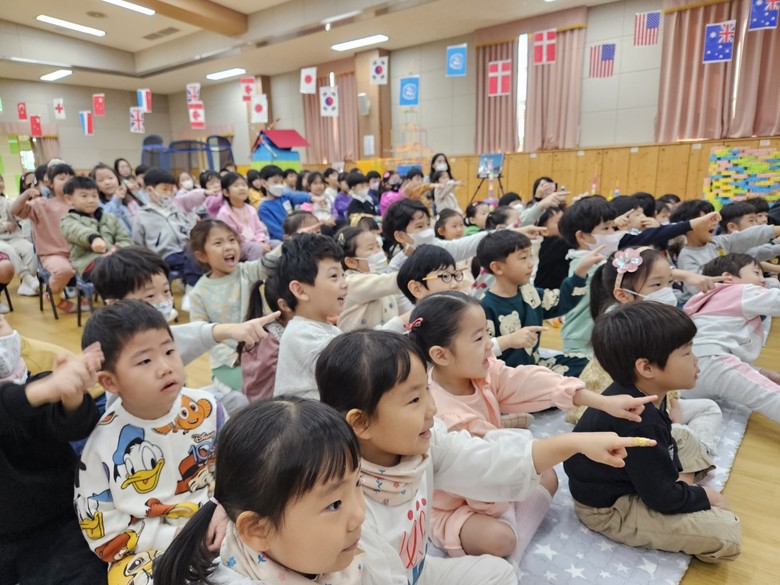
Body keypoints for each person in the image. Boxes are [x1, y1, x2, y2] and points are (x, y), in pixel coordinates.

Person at [316, 329, 657, 584]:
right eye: (414, 400)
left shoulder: (427, 442)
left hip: (417, 570)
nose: (432, 409)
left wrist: (575, 443)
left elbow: (485, 459)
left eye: (427, 392)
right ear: (361, 422)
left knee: (499, 572)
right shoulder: (349, 505)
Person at [408, 292, 655, 561]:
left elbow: (528, 381)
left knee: (547, 474)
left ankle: (513, 529)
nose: (491, 345)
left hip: (491, 470)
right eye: (479, 339)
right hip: (454, 501)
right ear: (440, 355)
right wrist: (509, 494)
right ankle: (511, 549)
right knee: (500, 539)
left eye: (488, 333)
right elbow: (481, 476)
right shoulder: (443, 416)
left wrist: (603, 402)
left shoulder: (482, 373)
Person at [563, 302, 741, 562]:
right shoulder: (639, 421)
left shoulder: (647, 393)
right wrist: (707, 496)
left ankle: (681, 485)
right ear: (646, 368)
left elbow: (665, 443)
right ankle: (684, 486)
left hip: (636, 474)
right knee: (726, 533)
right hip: (610, 507)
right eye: (687, 352)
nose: (696, 359)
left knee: (683, 436)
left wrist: (681, 491)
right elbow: (661, 498)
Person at [75, 301, 228, 584]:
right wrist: (176, 536)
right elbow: (103, 532)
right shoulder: (101, 446)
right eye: (145, 361)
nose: (165, 368)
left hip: (217, 521)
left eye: (169, 351)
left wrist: (224, 510)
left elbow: (237, 469)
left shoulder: (207, 408)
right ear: (110, 382)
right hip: (146, 550)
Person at [154, 397, 367, 585]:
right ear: (258, 530)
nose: (359, 515)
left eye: (358, 482)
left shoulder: (311, 556)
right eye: (334, 504)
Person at [90, 246, 274, 396]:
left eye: (166, 291)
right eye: (150, 296)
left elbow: (197, 333)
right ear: (115, 304)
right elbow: (191, 335)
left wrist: (232, 330)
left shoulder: (160, 331)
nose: (163, 301)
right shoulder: (114, 348)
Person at [1, 342, 106, 585]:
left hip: (61, 521)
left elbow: (76, 426)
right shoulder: (35, 390)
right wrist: (40, 391)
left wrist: (72, 396)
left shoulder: (34, 375)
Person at [477, 230, 602, 375]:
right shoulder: (483, 307)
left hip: (534, 365)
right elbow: (478, 350)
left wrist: (580, 271)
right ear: (498, 267)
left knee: (587, 364)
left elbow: (561, 301)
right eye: (523, 258)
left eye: (531, 256)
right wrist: (509, 340)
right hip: (507, 376)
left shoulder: (529, 292)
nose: (531, 264)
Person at [684, 253, 780, 423]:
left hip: (687, 375)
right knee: (769, 395)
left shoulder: (702, 299)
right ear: (728, 277)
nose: (763, 280)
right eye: (756, 273)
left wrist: (757, 372)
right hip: (714, 360)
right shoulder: (742, 290)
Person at [188, 220, 278, 396]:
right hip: (228, 363)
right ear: (202, 256)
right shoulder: (198, 293)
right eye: (218, 243)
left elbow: (269, 263)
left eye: (231, 240)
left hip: (261, 350)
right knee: (258, 391)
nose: (229, 246)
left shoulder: (246, 271)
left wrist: (293, 241)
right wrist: (234, 358)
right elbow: (202, 335)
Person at [273, 233, 345, 398]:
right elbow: (357, 363)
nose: (345, 283)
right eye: (334, 276)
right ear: (300, 290)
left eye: (343, 275)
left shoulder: (325, 328)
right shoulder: (299, 335)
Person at [670, 199, 780, 302]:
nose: (714, 223)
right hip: (703, 304)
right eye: (707, 219)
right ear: (689, 226)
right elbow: (700, 290)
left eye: (714, 218)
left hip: (729, 297)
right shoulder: (687, 256)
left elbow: (746, 237)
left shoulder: (719, 242)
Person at [10, 163, 78, 313]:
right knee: (64, 270)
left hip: (77, 252)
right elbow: (14, 210)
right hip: (52, 254)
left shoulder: (78, 204)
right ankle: (54, 295)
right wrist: (27, 194)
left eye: (70, 178)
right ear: (50, 183)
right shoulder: (41, 204)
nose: (67, 181)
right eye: (62, 178)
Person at [131, 168, 205, 306]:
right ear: (149, 190)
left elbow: (187, 231)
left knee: (200, 255)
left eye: (171, 190)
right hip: (162, 255)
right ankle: (191, 290)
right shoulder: (141, 216)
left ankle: (192, 288)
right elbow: (138, 243)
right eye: (164, 189)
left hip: (183, 251)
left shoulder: (176, 210)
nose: (169, 193)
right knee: (192, 258)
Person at [60, 176, 132, 281]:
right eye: (84, 196)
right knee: (112, 266)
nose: (91, 200)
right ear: (69, 199)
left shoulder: (109, 217)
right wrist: (93, 238)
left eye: (94, 196)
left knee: (142, 260)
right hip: (89, 264)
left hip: (116, 257)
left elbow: (125, 239)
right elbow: (78, 232)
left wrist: (118, 249)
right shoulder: (68, 220)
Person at [335, 226, 403, 332]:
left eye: (378, 246)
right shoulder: (351, 283)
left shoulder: (379, 277)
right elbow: (392, 281)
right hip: (361, 341)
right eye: (370, 248)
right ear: (351, 262)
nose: (379, 252)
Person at [237, 275, 290, 402]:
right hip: (266, 405)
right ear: (284, 305)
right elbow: (262, 389)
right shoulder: (270, 338)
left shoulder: (272, 330)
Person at [215, 172, 273, 260]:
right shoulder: (224, 213)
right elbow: (232, 238)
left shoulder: (251, 209)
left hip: (256, 242)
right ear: (226, 192)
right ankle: (255, 269)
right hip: (237, 246)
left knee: (276, 244)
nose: (241, 188)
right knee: (256, 248)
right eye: (236, 185)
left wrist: (261, 241)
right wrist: (258, 244)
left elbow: (259, 230)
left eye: (244, 185)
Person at [259, 165, 321, 241]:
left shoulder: (285, 197)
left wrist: (313, 198)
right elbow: (275, 229)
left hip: (296, 233)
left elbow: (297, 196)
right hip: (282, 240)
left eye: (281, 182)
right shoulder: (264, 208)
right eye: (275, 182)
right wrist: (289, 238)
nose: (279, 185)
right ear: (264, 183)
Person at [0, 173, 38, 296]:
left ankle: (26, 286)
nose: (0, 184)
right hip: (1, 241)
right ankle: (29, 279)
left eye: (1, 181)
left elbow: (17, 213)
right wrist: (4, 225)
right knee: (9, 250)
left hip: (14, 237)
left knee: (30, 249)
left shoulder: (7, 201)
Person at [91, 163, 143, 233]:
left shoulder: (129, 198)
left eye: (110, 178)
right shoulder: (97, 203)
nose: (107, 182)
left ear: (118, 180)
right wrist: (116, 199)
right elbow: (105, 219)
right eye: (101, 180)